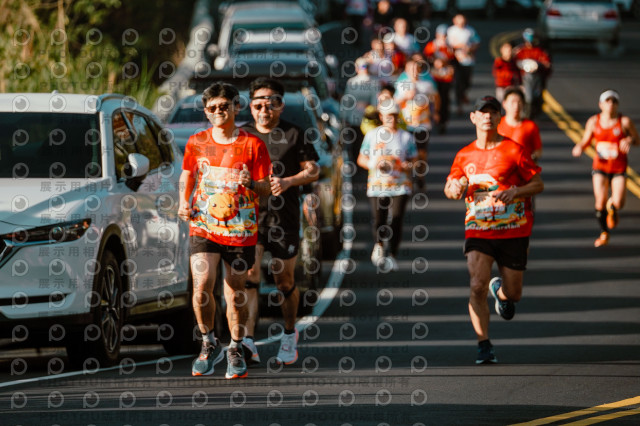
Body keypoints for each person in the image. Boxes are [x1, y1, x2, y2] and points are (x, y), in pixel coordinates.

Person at [179, 82, 272, 379]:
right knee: (202, 285)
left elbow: (266, 189)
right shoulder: (196, 142)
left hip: (240, 228)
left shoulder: (253, 144)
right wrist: (182, 203)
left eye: (224, 106)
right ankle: (208, 342)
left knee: (234, 290)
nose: (218, 111)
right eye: (212, 108)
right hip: (203, 225)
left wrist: (251, 184)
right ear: (206, 112)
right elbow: (187, 175)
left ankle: (235, 345)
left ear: (236, 107)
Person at [444, 96, 544, 364]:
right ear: (473, 118)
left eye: (493, 112)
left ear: (499, 117)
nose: (487, 116)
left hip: (513, 230)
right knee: (476, 284)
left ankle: (500, 291)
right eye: (482, 112)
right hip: (478, 229)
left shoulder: (514, 150)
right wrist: (454, 188)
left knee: (515, 294)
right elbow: (451, 188)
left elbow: (538, 184)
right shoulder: (464, 155)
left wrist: (517, 191)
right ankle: (483, 344)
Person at [242, 78, 320, 365]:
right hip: (249, 218)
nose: (265, 109)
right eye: (259, 104)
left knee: (283, 281)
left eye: (272, 103)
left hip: (283, 218)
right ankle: (247, 340)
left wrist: (288, 181)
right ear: (251, 106)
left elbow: (313, 170)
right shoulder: (242, 136)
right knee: (250, 277)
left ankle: (289, 334)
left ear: (281, 105)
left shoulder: (294, 133)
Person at [572, 89, 639, 247]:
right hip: (600, 167)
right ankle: (604, 233)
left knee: (619, 202)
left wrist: (629, 140)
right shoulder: (593, 122)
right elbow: (586, 140)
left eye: (614, 101)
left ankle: (613, 207)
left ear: (617, 105)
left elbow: (637, 139)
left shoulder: (624, 122)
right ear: (600, 104)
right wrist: (580, 147)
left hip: (618, 168)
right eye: (608, 101)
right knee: (599, 201)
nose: (611, 104)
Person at [357, 101, 417, 271]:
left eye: (395, 116)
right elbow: (361, 159)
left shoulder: (406, 137)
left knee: (396, 219)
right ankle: (379, 244)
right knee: (379, 219)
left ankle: (393, 255)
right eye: (389, 116)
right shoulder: (372, 136)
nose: (392, 119)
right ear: (381, 117)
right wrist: (374, 164)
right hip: (378, 185)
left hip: (400, 185)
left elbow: (415, 160)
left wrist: (406, 165)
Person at [394, 58, 440, 192]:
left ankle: (420, 176)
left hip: (423, 125)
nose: (414, 71)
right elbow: (395, 102)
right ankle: (408, 178)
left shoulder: (427, 85)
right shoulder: (401, 85)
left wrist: (436, 112)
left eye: (416, 68)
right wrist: (406, 97)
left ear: (420, 70)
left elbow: (436, 97)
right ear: (406, 70)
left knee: (421, 153)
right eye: (411, 69)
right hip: (407, 125)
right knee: (407, 153)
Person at [341, 57, 381, 160]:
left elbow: (375, 101)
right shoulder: (352, 82)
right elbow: (347, 101)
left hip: (368, 119)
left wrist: (368, 107)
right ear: (356, 68)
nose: (364, 69)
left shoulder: (374, 82)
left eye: (366, 66)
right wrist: (344, 117)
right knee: (354, 143)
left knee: (367, 142)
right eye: (362, 66)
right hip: (354, 118)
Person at [423, 23, 456, 134]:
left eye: (445, 35)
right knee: (434, 99)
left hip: (446, 78)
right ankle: (433, 118)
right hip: (434, 77)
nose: (444, 37)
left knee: (445, 99)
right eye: (442, 35)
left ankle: (443, 121)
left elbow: (454, 61)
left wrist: (448, 66)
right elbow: (426, 60)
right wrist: (434, 62)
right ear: (437, 35)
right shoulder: (431, 46)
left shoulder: (450, 47)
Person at [446, 14, 480, 115]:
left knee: (467, 82)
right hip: (455, 60)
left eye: (463, 21)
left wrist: (470, 49)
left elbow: (477, 42)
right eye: (459, 21)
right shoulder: (451, 31)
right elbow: (448, 45)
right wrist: (458, 48)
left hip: (468, 60)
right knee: (458, 83)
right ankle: (459, 104)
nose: (461, 23)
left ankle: (463, 94)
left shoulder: (470, 31)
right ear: (454, 21)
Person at [498, 87, 542, 161]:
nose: (516, 106)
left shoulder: (531, 126)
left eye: (519, 102)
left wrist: (530, 160)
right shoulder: (497, 125)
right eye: (512, 102)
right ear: (504, 104)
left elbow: (538, 151)